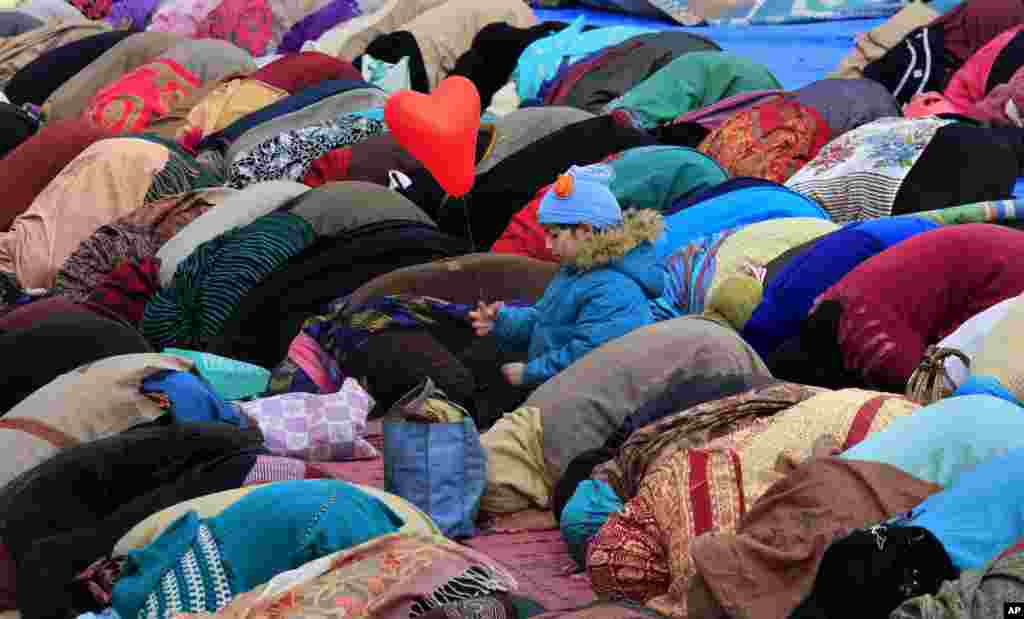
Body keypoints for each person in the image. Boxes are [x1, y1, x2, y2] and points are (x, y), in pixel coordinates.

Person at [469, 163, 664, 389]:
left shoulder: (614, 288)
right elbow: (544, 321)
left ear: (585, 230)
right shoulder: (575, 270)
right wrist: (502, 320)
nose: (548, 245)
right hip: (555, 388)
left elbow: (591, 356)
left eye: (554, 235)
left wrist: (530, 373)